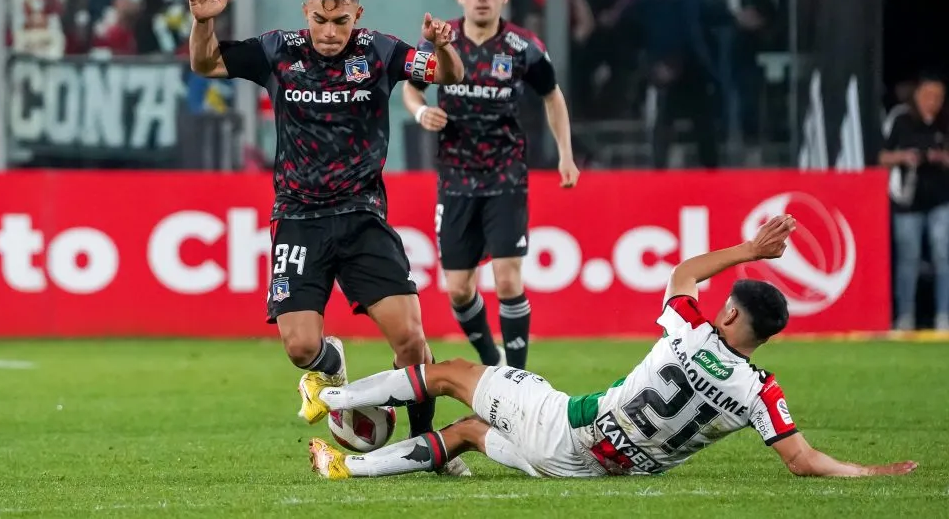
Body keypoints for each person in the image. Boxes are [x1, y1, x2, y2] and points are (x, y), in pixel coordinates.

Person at [298, 215, 918, 480]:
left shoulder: (690, 331)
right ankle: (343, 466)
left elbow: (683, 272)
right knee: (463, 432)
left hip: (565, 429)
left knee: (450, 372)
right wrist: (873, 472)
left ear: (728, 311)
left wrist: (750, 250)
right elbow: (803, 461)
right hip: (594, 470)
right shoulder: (760, 392)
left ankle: (330, 396)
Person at [187, 0, 471, 475]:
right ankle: (331, 364)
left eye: (341, 21)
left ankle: (426, 446)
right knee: (299, 347)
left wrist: (444, 45)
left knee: (410, 337)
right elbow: (206, 66)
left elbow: (445, 74)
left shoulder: (380, 52)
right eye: (321, 19)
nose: (330, 32)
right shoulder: (279, 51)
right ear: (307, 11)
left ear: (356, 15)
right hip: (298, 217)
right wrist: (204, 22)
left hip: (362, 215)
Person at [402, 0, 580, 370]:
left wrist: (566, 155)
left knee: (507, 279)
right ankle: (490, 359)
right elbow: (411, 89)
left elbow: (552, 96)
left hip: (506, 175)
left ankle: (517, 377)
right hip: (455, 177)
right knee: (460, 290)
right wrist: (420, 112)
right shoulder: (439, 42)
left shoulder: (524, 48)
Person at [880, 72, 949, 331]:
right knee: (909, 258)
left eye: (939, 97)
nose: (933, 101)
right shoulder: (901, 118)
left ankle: (943, 316)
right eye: (928, 96)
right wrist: (905, 157)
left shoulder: (944, 120)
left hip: (941, 199)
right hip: (907, 202)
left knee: (944, 255)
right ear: (917, 96)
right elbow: (881, 156)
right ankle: (905, 317)